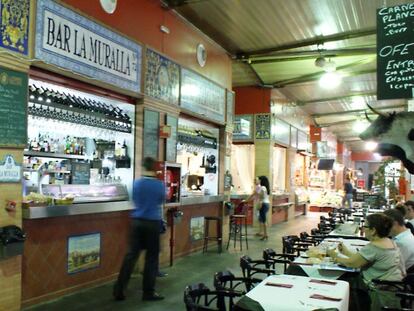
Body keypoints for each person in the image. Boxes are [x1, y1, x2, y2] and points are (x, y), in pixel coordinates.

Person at [113, 157, 165, 301]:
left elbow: (133, 199)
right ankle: (148, 292)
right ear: (154, 168)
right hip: (152, 223)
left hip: (136, 222)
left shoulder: (136, 184)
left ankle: (119, 290)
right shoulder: (159, 185)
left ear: (143, 167)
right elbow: (161, 200)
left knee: (131, 257)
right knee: (151, 258)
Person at [327, 213, 405, 310]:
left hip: (377, 289)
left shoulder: (374, 247)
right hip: (392, 286)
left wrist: (333, 254)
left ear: (373, 230)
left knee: (342, 279)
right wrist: (346, 252)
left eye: (365, 226)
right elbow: (361, 259)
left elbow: (351, 263)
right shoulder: (390, 242)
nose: (363, 229)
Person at [257, 176, 270, 241]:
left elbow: (261, 197)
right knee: (263, 219)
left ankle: (265, 234)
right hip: (267, 204)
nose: (258, 181)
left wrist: (260, 204)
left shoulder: (262, 187)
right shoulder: (266, 187)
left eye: (259, 180)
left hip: (263, 204)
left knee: (263, 220)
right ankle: (265, 234)